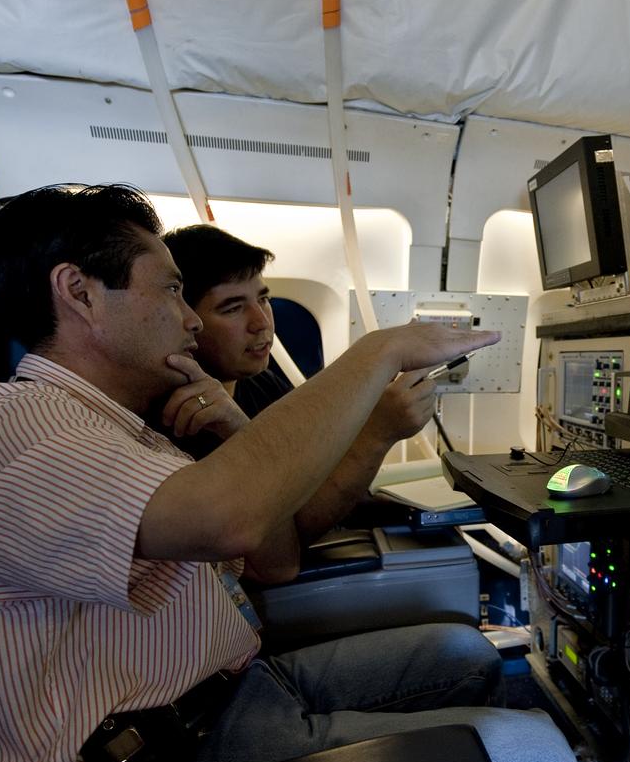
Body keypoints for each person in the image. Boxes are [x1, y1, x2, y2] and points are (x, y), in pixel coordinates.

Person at [0, 184, 578, 762]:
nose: (192, 320)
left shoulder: (118, 430)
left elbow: (274, 556)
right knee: (534, 761)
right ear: (79, 292)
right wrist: (380, 352)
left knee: (466, 653)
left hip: (225, 692)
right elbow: (233, 519)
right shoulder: (11, 426)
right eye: (171, 290)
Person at [159, 224, 432, 535]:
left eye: (263, 299)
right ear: (186, 321)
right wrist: (379, 433)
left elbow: (315, 477)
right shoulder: (185, 418)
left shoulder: (264, 385)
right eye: (233, 308)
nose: (261, 322)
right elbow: (295, 527)